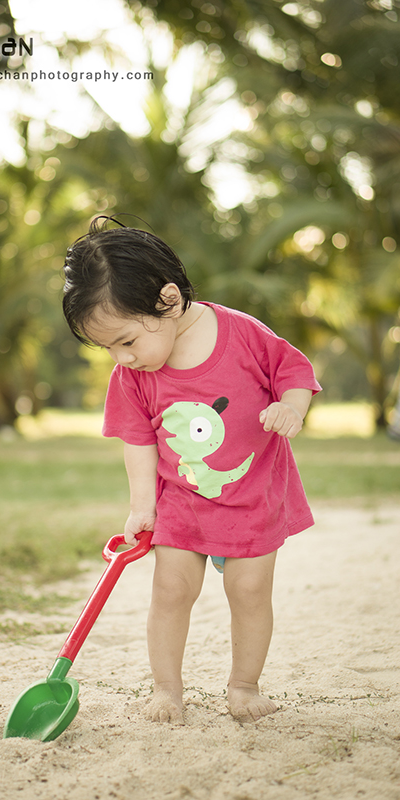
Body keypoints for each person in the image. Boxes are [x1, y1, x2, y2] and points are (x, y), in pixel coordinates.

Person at [62, 216, 322, 725]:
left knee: (248, 591)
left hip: (251, 495)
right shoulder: (132, 376)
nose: (122, 358)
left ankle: (244, 687)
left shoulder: (243, 334)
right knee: (171, 590)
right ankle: (166, 690)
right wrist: (143, 505)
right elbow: (138, 440)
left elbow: (295, 372)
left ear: (169, 300)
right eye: (109, 348)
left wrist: (292, 407)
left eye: (128, 341)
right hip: (181, 500)